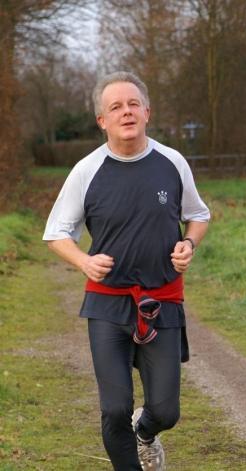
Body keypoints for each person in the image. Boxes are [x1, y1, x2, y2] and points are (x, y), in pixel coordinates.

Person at [43, 71, 210, 470]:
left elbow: (198, 215)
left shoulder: (172, 162)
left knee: (166, 410)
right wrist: (84, 261)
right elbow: (55, 233)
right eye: (115, 107)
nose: (126, 112)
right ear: (102, 120)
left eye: (133, 104)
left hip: (161, 302)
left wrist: (188, 244)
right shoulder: (87, 170)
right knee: (114, 408)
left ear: (147, 111)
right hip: (107, 306)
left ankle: (146, 431)